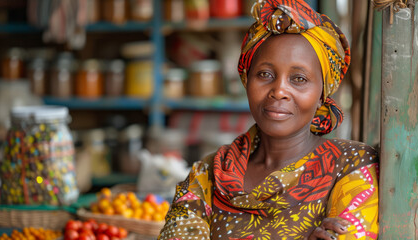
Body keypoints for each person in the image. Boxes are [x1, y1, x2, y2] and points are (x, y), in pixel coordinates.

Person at [158, 0, 379, 239]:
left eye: (299, 79)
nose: (279, 90)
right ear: (246, 80)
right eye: (265, 74)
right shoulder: (209, 174)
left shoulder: (351, 165)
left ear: (321, 96)